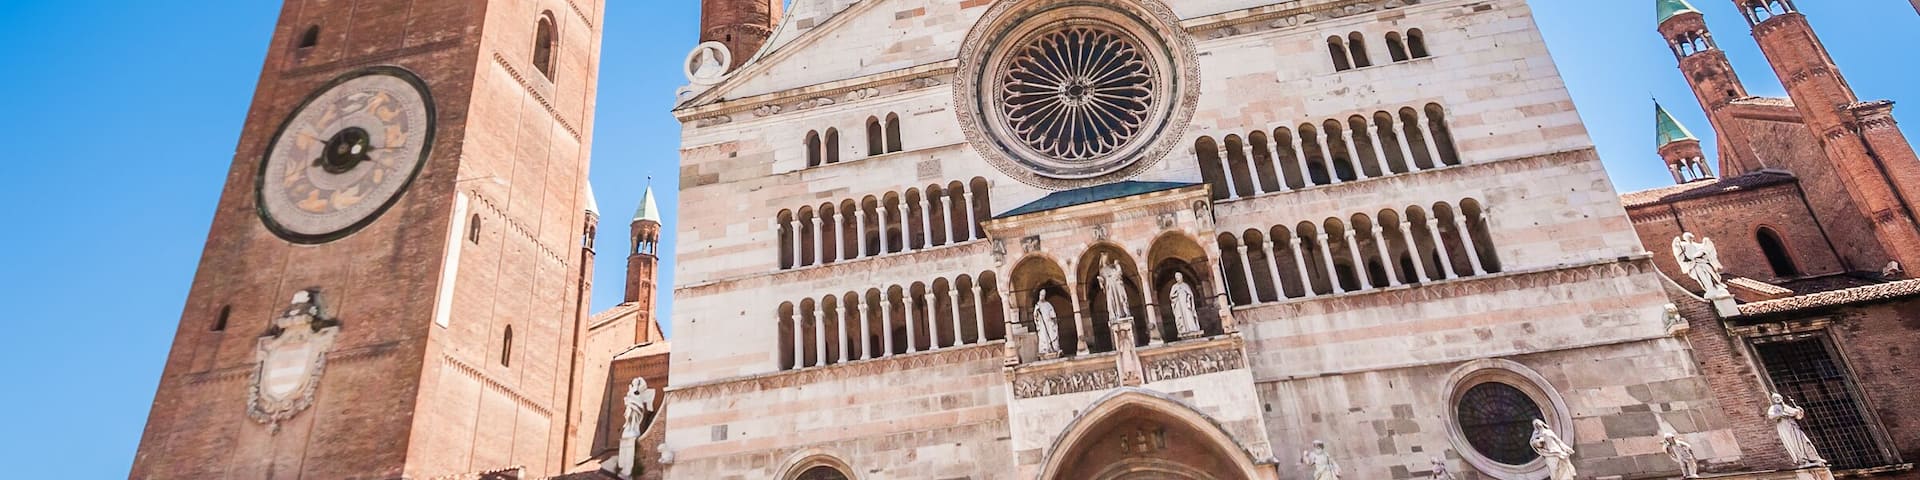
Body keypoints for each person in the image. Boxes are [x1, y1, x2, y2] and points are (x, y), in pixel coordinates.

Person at [1768, 393, 1827, 467]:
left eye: (1779, 398)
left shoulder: (1786, 407)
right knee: (1795, 444)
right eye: (1775, 399)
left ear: (1781, 398)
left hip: (1794, 426)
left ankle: (1814, 458)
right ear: (1773, 400)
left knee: (1804, 441)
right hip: (1785, 428)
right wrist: (1781, 414)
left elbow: (1798, 416)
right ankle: (1803, 460)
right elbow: (1771, 416)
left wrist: (1799, 411)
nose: (1778, 400)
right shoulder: (1774, 407)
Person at [1169, 273, 1201, 337]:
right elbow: (1171, 296)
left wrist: (1188, 298)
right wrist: (1176, 294)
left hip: (1186, 304)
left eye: (1178, 276)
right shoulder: (1174, 286)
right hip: (1179, 305)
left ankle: (1192, 328)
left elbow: (1190, 294)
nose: (1177, 278)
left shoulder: (1185, 285)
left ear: (1181, 277)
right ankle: (1183, 330)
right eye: (1176, 277)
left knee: (1189, 315)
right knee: (1181, 317)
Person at [1033, 290, 1060, 355]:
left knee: (1051, 335)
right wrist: (1037, 311)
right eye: (1041, 295)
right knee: (1043, 336)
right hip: (1042, 324)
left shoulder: (1048, 304)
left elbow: (1052, 313)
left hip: (1049, 323)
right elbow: (1035, 316)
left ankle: (1053, 348)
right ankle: (1045, 349)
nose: (1042, 296)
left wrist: (1053, 317)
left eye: (1043, 295)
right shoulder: (1038, 305)